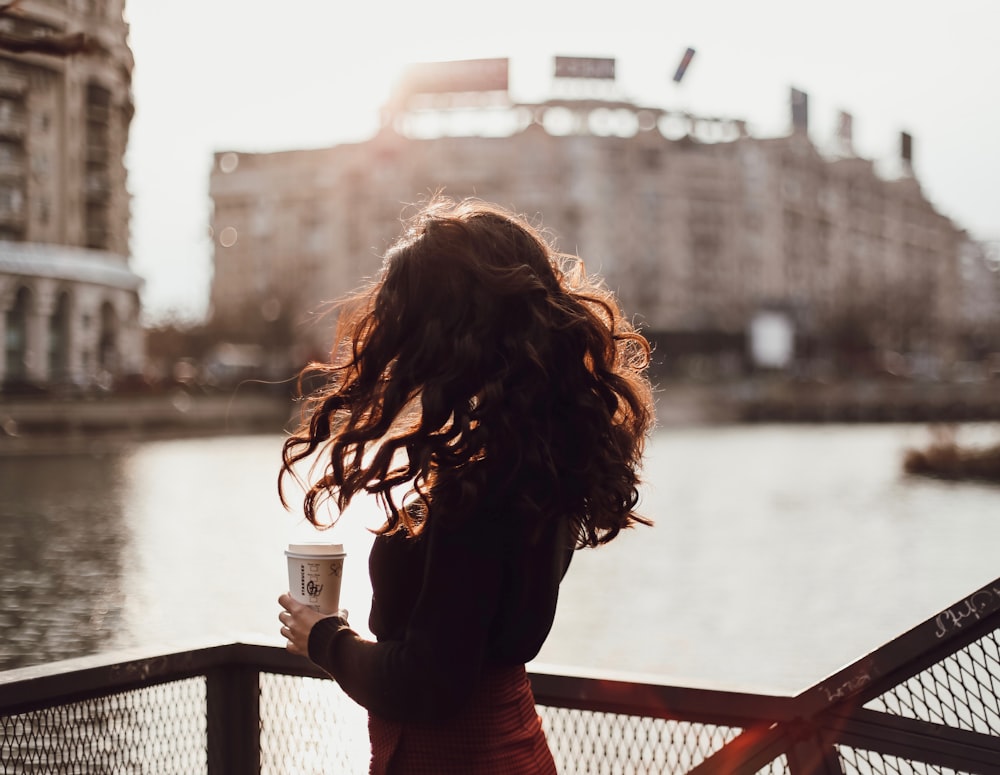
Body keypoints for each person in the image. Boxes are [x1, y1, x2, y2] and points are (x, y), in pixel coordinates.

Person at [277, 197, 655, 774]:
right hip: (513, 749)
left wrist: (325, 638)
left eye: (407, 320)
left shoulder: (480, 488)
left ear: (450, 331)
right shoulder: (538, 460)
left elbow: (429, 683)